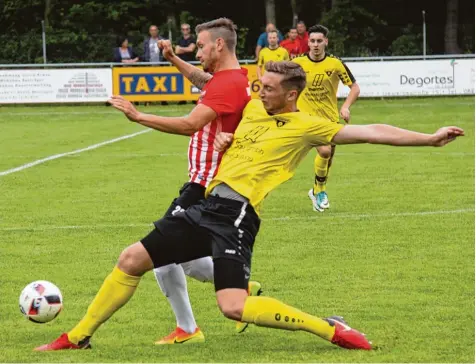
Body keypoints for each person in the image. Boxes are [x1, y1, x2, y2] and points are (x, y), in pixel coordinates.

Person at [34, 60, 464, 352]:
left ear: (291, 94)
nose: (261, 91)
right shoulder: (256, 109)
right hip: (205, 203)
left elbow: (372, 130)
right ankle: (78, 337)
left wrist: (428, 138)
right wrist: (226, 140)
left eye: (270, 88)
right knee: (132, 258)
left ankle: (329, 328)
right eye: (261, 85)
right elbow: (219, 91)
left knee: (233, 307)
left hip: (237, 215)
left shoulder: (308, 126)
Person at [293, 25, 360, 212]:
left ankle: (317, 189)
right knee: (324, 151)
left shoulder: (335, 63)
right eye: (312, 41)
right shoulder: (297, 63)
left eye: (319, 41)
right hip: (306, 118)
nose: (315, 45)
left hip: (330, 119)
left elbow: (355, 87)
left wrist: (345, 107)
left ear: (326, 42)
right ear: (308, 42)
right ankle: (320, 190)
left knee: (327, 158)